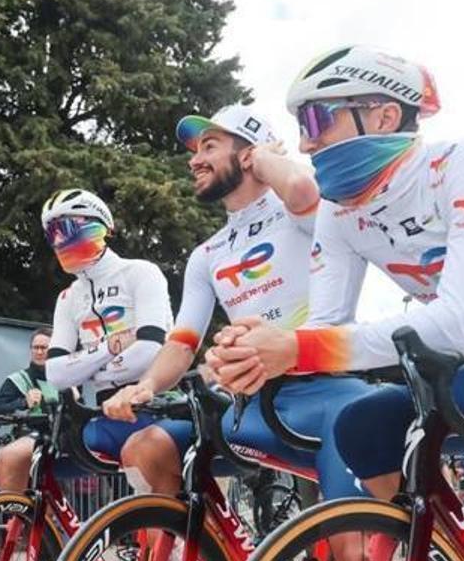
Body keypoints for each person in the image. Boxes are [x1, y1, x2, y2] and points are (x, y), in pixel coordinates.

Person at [207, 45, 464, 506]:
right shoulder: (340, 215)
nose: (305, 143)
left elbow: (456, 328)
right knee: (363, 426)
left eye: (317, 120)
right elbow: (324, 330)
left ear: (383, 117)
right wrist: (261, 349)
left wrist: (297, 348)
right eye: (301, 128)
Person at [107, 103, 376, 503]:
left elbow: (303, 190)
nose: (194, 160)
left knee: (351, 553)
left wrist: (267, 158)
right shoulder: (207, 254)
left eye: (209, 146)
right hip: (253, 404)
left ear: (248, 154)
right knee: (144, 449)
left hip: (327, 392)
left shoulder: (300, 212)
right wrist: (144, 385)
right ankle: (217, 560)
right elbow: (182, 344)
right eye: (195, 151)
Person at [0, 189, 190, 493]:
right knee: (10, 460)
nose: (59, 240)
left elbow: (150, 352)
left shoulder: (141, 273)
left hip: (155, 407)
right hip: (100, 414)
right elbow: (56, 375)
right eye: (52, 233)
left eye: (67, 228)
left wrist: (84, 367)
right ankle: (47, 540)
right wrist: (109, 348)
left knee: (154, 524)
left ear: (98, 226)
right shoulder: (68, 297)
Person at [0, 328, 56, 416]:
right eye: (36, 348)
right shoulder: (18, 380)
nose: (39, 352)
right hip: (30, 429)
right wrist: (23, 403)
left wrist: (74, 402)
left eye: (44, 348)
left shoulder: (64, 380)